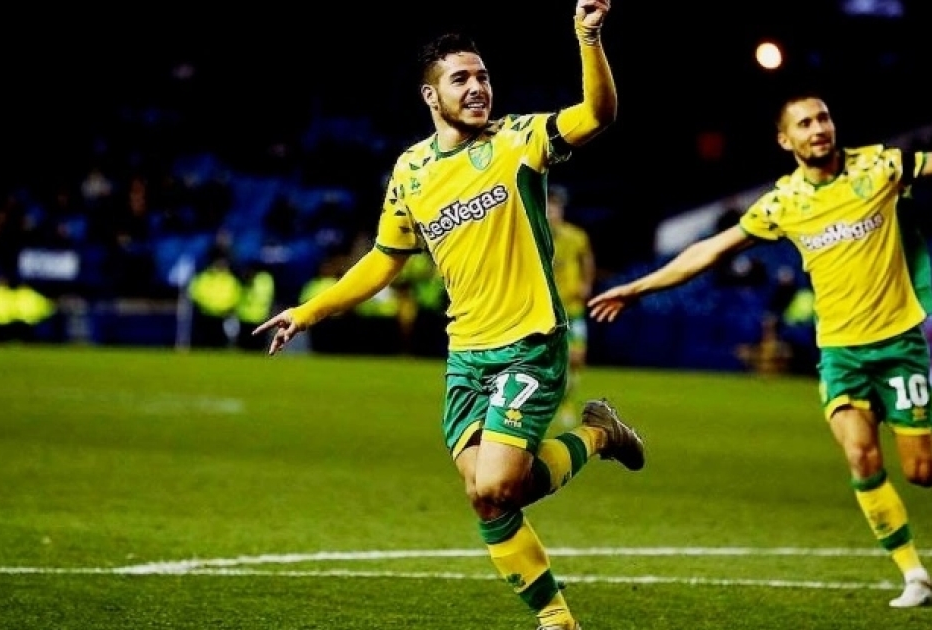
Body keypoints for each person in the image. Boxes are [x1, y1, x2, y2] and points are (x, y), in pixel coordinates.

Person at [589, 94, 932, 608]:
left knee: (922, 472)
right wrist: (637, 288)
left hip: (898, 345)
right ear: (785, 140)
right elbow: (710, 249)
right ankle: (915, 576)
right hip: (840, 353)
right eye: (805, 123)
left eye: (823, 118)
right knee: (861, 456)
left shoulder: (880, 168)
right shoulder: (783, 203)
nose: (818, 129)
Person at [254, 3, 643, 629]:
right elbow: (384, 260)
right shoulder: (411, 171)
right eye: (461, 78)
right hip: (466, 354)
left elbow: (599, 115)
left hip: (529, 341)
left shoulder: (519, 141)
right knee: (487, 499)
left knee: (497, 485)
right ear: (430, 95)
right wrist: (308, 311)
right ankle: (562, 610)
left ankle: (594, 447)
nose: (478, 87)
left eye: (483, 75)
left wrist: (588, 36)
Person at [546, 184, 595, 427]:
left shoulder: (576, 236)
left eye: (555, 207)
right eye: (548, 207)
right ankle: (552, 404)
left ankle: (566, 401)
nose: (551, 212)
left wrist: (586, 283)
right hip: (548, 310)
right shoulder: (536, 236)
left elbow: (587, 260)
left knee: (577, 358)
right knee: (551, 362)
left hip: (573, 307)